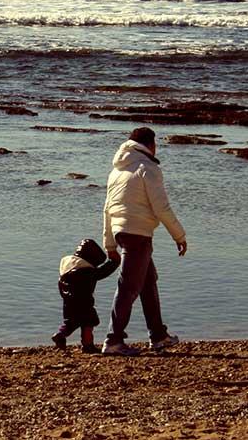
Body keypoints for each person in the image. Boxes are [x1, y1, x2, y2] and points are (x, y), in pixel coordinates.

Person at [101, 127, 187, 356]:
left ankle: (158, 336)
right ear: (151, 145)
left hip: (123, 232)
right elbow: (161, 207)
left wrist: (110, 244)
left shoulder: (116, 172)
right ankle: (113, 341)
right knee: (127, 288)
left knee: (148, 284)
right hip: (138, 234)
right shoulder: (147, 168)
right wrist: (179, 235)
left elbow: (107, 210)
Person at [51, 237, 120, 353]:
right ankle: (87, 345)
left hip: (68, 303)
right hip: (84, 303)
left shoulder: (66, 272)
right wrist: (114, 263)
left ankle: (60, 334)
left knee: (70, 323)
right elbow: (101, 273)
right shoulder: (85, 272)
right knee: (88, 324)